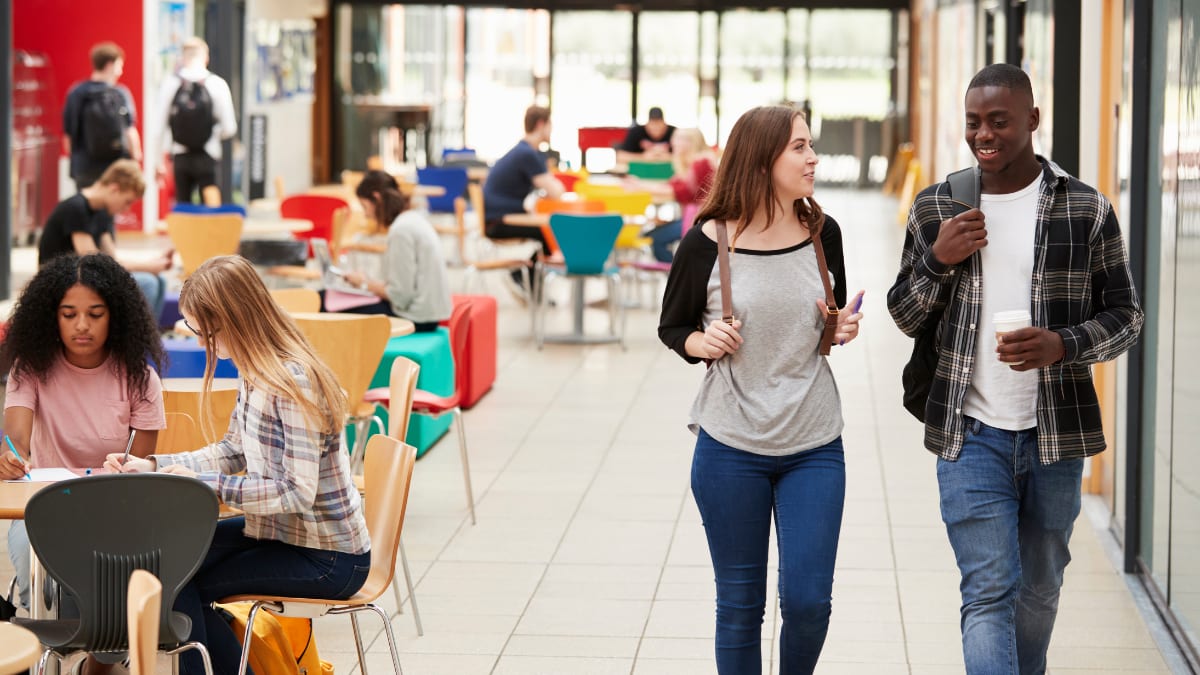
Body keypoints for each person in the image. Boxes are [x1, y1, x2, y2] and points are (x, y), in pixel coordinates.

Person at [886, 63, 1144, 674]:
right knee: (987, 591)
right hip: (969, 430)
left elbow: (1126, 317)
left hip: (1058, 435)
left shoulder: (1085, 209)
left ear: (1032, 120)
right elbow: (902, 314)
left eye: (999, 121)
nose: (984, 135)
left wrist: (1063, 343)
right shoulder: (939, 205)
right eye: (974, 122)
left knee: (1041, 587)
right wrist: (938, 261)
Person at [658, 105, 864, 674]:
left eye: (810, 145)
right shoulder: (706, 243)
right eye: (799, 147)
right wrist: (703, 341)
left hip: (814, 441)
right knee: (740, 608)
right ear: (762, 158)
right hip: (730, 445)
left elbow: (828, 320)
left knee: (808, 602)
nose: (813, 157)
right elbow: (673, 328)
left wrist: (839, 328)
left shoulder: (825, 235)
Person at [105, 255, 371, 675]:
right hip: (283, 537)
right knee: (168, 562)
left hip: (327, 557)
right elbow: (232, 450)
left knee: (175, 577)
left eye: (200, 329)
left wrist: (205, 485)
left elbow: (294, 492)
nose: (197, 342)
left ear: (232, 320)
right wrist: (153, 464)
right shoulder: (257, 371)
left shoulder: (291, 382)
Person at [1, 254, 166, 672]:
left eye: (95, 314)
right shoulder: (31, 369)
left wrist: (126, 468)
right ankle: (38, 649)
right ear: (49, 317)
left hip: (115, 506)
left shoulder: (139, 378)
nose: (81, 325)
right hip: (43, 504)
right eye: (68, 314)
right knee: (24, 548)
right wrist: (10, 458)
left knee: (109, 573)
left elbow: (142, 462)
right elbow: (16, 440)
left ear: (116, 316)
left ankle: (101, 657)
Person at [37, 159, 173, 318]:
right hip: (60, 280)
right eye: (127, 201)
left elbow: (110, 259)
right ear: (114, 189)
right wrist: (147, 266)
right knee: (147, 283)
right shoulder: (75, 208)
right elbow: (94, 262)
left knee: (160, 280)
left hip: (84, 275)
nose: (126, 208)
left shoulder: (101, 212)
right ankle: (130, 339)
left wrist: (153, 262)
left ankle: (148, 338)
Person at [325, 170, 452, 331]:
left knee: (327, 304)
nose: (366, 215)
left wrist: (364, 284)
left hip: (416, 318)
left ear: (377, 199)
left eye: (365, 207)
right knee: (334, 299)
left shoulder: (401, 231)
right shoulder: (413, 220)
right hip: (428, 314)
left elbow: (400, 297)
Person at [482, 105, 564, 297]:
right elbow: (557, 192)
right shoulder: (528, 154)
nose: (552, 130)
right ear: (541, 124)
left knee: (549, 231)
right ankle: (524, 279)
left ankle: (526, 278)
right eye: (550, 125)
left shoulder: (522, 151)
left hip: (496, 217)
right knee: (552, 230)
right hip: (498, 222)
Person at [156, 37, 238, 204]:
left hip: (180, 155)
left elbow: (158, 127)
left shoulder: (170, 83)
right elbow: (229, 127)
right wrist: (213, 134)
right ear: (206, 58)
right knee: (210, 206)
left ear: (183, 58)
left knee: (183, 206)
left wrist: (158, 162)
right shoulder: (217, 84)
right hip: (209, 154)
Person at [624, 127, 718, 262]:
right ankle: (676, 273)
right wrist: (639, 185)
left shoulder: (701, 162)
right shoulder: (689, 164)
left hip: (702, 221)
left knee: (656, 239)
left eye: (679, 139)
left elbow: (683, 192)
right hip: (694, 218)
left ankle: (676, 274)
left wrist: (639, 187)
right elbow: (672, 185)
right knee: (652, 235)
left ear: (691, 142)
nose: (673, 143)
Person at [62, 41, 142, 189]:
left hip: (85, 167)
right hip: (115, 167)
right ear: (110, 65)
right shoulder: (120, 93)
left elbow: (68, 136)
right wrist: (135, 161)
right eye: (120, 66)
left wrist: (75, 161)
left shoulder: (76, 93)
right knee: (111, 210)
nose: (121, 71)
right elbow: (130, 130)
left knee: (87, 208)